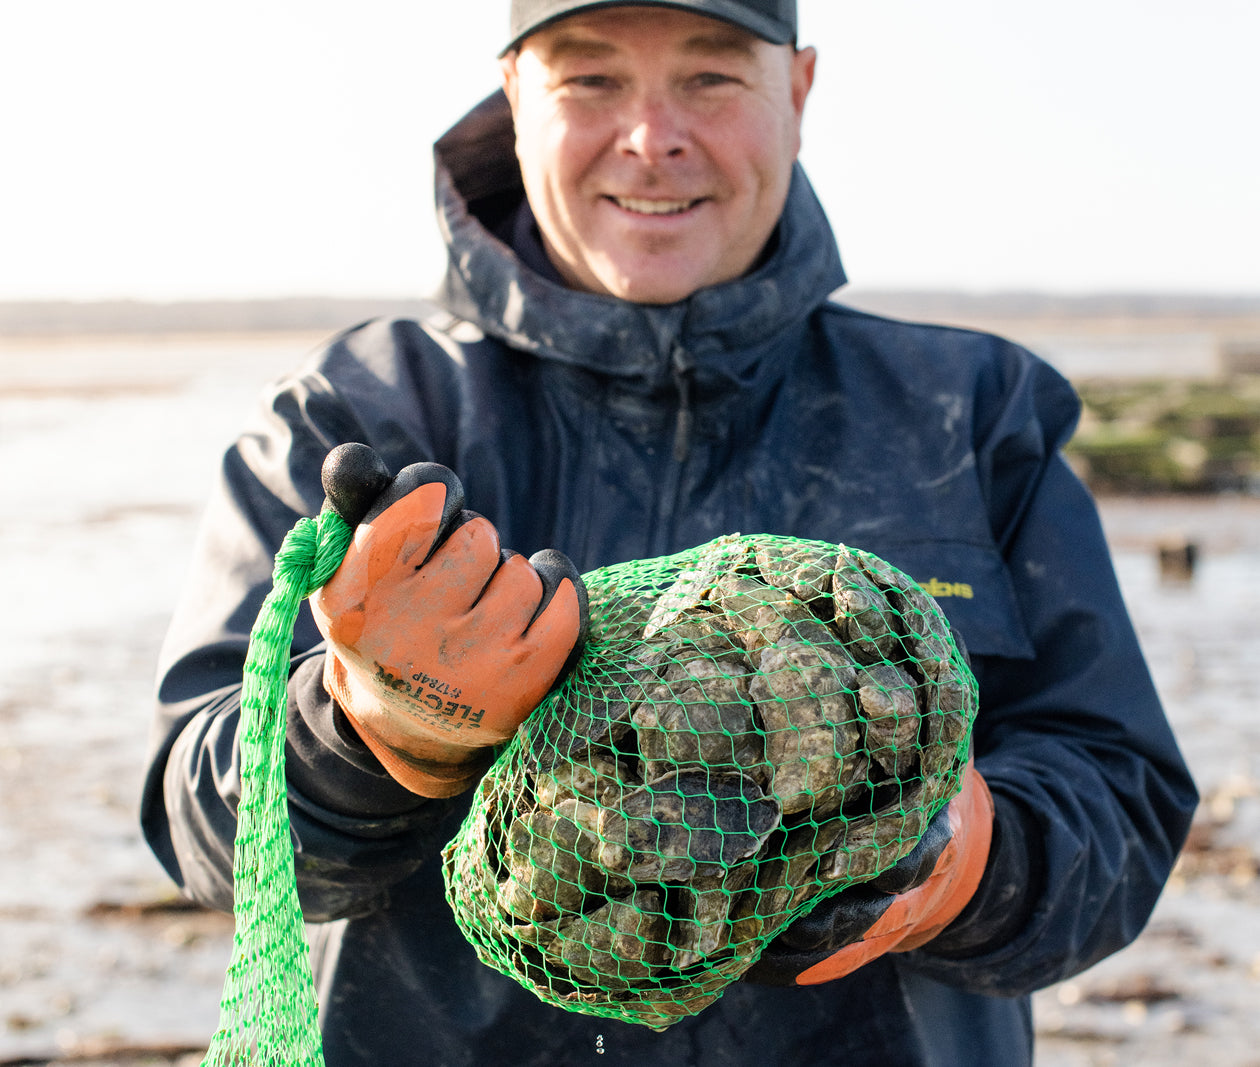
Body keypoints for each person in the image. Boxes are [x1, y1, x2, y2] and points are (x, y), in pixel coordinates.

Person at [140, 1, 1198, 1063]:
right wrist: (372, 730)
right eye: (590, 80)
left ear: (799, 91)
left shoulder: (971, 413)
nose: (652, 138)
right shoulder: (352, 415)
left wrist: (963, 861)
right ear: (515, 98)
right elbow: (201, 829)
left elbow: (1124, 799)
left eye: (711, 79)